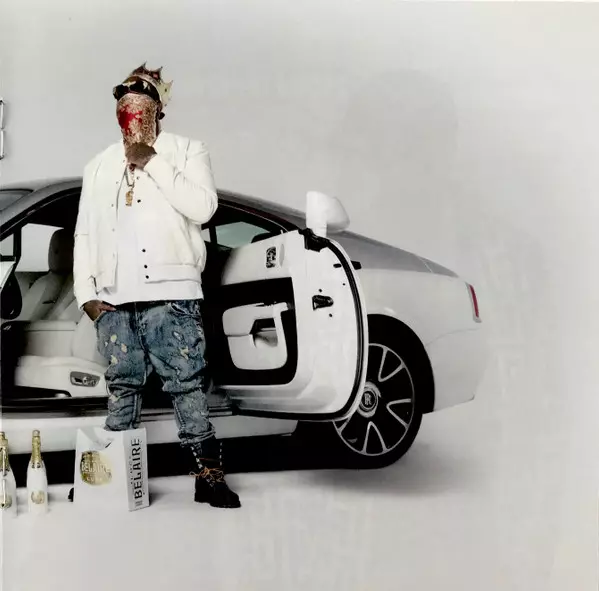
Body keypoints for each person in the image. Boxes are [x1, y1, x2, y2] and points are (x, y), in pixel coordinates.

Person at [72, 64, 240, 509]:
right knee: (122, 387)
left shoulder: (186, 150)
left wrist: (152, 160)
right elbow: (84, 232)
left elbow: (203, 208)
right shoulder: (97, 165)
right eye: (123, 94)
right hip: (114, 299)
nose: (131, 100)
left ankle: (208, 477)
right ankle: (108, 478)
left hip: (172, 294)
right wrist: (86, 295)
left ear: (159, 106)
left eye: (142, 92)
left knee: (185, 384)